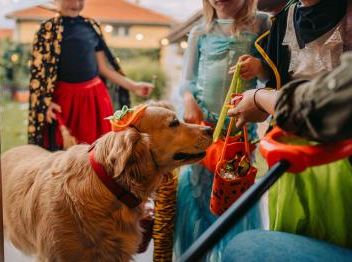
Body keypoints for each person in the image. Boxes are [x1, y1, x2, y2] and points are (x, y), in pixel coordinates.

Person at [227, 0, 352, 249]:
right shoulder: (285, 20)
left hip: (343, 162)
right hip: (290, 159)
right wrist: (262, 104)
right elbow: (280, 84)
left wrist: (262, 100)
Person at [173, 0, 270, 260]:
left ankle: (231, 254)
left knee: (233, 193)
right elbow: (187, 81)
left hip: (237, 133)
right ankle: (199, 252)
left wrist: (259, 68)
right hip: (204, 130)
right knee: (199, 194)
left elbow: (272, 76)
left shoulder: (262, 22)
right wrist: (188, 100)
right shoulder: (200, 31)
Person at [27, 0, 154, 149]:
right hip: (64, 102)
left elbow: (104, 69)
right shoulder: (46, 30)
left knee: (97, 150)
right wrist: (45, 102)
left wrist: (134, 86)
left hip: (95, 99)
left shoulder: (91, 27)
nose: (75, 3)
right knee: (64, 152)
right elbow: (39, 73)